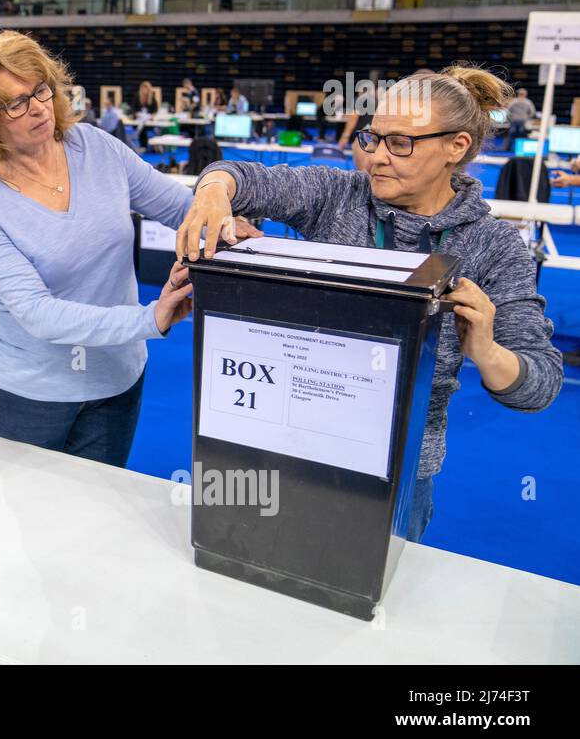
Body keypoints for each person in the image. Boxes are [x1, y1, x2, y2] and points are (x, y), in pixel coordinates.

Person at [177, 65, 563, 541]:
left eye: (400, 143)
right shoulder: (338, 195)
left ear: (456, 147)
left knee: (367, 602)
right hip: (285, 441)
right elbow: (238, 174)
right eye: (372, 138)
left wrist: (486, 351)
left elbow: (538, 386)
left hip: (398, 472)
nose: (377, 157)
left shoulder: (495, 246)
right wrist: (214, 193)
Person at [0, 30, 225, 466]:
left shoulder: (96, 146)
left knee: (97, 520)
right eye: (15, 102)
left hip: (116, 377)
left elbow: (177, 207)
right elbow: (37, 312)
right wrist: (149, 318)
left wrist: (225, 229)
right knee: (29, 518)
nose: (38, 107)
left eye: (40, 89)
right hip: (32, 391)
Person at [135, 80, 159, 149]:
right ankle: (143, 146)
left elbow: (155, 109)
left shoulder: (152, 98)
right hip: (139, 117)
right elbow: (134, 108)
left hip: (148, 118)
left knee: (144, 127)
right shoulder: (137, 96)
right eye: (143, 88)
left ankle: (145, 145)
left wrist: (152, 116)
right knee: (142, 127)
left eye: (146, 89)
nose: (144, 90)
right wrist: (136, 114)